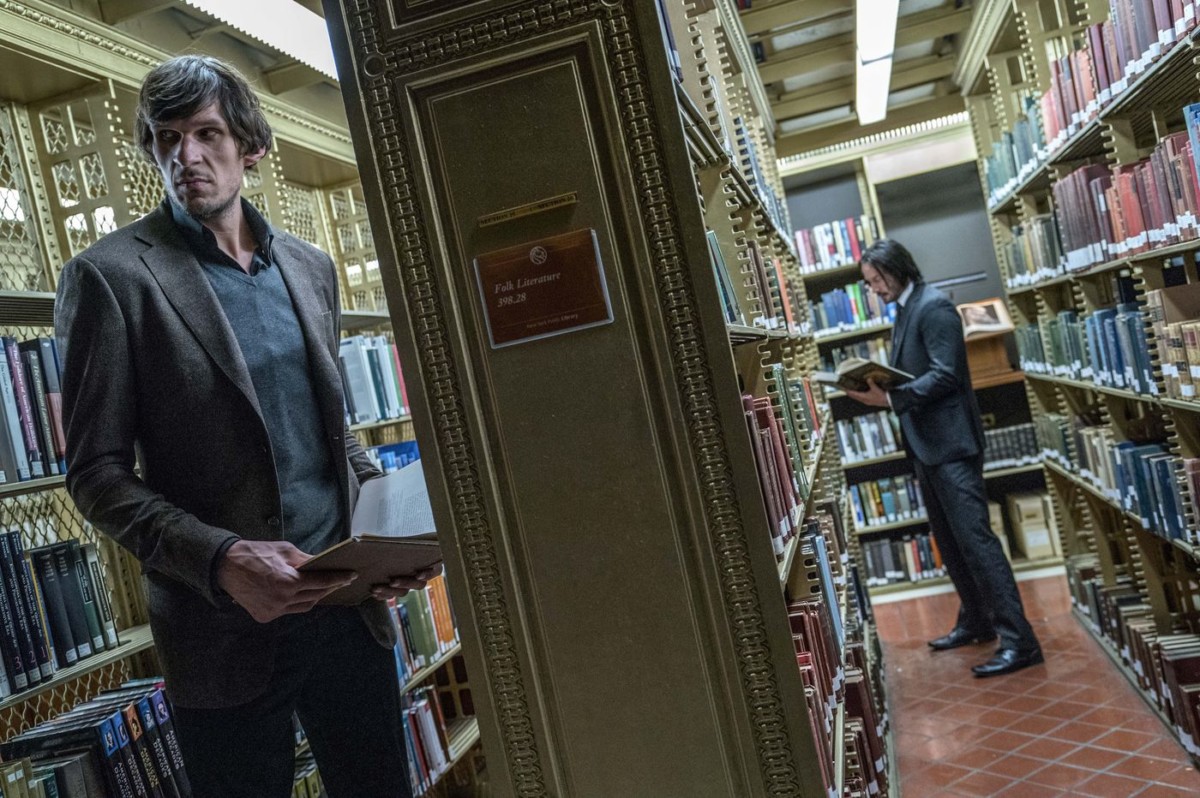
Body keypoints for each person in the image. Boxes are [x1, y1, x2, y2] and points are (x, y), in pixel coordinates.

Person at [55, 55, 437, 797]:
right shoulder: (111, 276)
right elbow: (96, 475)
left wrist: (389, 539)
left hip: (345, 611)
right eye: (166, 138)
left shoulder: (310, 267)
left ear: (251, 147)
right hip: (219, 631)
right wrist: (223, 559)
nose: (185, 156)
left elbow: (333, 434)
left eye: (206, 134)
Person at [844, 239, 1043, 678]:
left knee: (977, 542)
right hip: (927, 446)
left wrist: (890, 399)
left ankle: (1021, 641)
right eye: (869, 283)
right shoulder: (906, 308)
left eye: (877, 280)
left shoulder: (934, 307)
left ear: (898, 269)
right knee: (951, 543)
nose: (874, 289)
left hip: (951, 446)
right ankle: (977, 621)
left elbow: (947, 375)